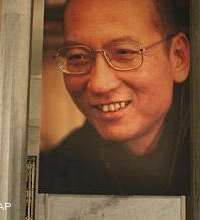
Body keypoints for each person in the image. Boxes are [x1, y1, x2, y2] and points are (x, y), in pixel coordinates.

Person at [39, 0, 191, 195]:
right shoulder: (57, 173)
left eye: (124, 52)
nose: (99, 84)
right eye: (77, 56)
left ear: (178, 57)